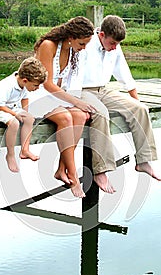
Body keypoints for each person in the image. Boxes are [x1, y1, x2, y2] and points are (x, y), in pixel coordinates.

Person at [33, 16, 116, 198]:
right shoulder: (49, 45)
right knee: (66, 118)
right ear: (71, 36)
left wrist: (77, 101)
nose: (84, 47)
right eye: (82, 43)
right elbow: (46, 84)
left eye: (87, 44)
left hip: (56, 96)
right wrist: (75, 101)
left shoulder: (72, 50)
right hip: (37, 94)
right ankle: (73, 175)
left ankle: (61, 169)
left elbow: (68, 83)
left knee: (81, 116)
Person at [80, 15, 161, 181]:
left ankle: (143, 161)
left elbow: (124, 73)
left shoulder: (114, 47)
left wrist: (134, 101)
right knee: (101, 113)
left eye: (117, 44)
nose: (114, 48)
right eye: (112, 43)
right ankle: (101, 171)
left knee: (141, 109)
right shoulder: (85, 45)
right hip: (82, 91)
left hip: (103, 90)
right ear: (101, 35)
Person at [0, 56, 47, 173]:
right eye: (36, 85)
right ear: (25, 81)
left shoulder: (23, 84)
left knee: (29, 118)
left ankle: (25, 150)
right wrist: (15, 115)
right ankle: (10, 155)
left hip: (9, 107)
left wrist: (24, 114)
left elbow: (25, 100)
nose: (37, 88)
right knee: (14, 123)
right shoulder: (7, 85)